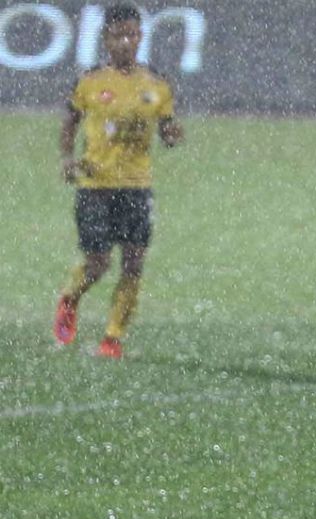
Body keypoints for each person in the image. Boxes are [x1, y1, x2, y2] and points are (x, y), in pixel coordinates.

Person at [53, 4, 185, 359]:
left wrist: (173, 135)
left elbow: (168, 130)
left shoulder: (157, 85)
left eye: (131, 35)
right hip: (95, 184)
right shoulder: (90, 82)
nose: (125, 42)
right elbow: (70, 123)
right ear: (106, 39)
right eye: (117, 36)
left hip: (137, 185)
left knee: (133, 263)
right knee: (98, 263)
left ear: (140, 37)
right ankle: (70, 298)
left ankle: (112, 338)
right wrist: (67, 159)